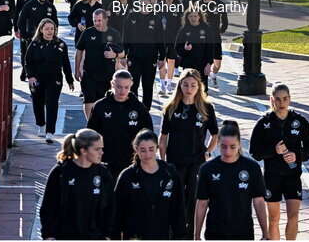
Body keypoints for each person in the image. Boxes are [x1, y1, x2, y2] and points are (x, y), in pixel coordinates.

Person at [249, 84, 309, 241]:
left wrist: (297, 155)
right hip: (272, 177)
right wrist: (274, 150)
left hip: (293, 175)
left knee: (293, 216)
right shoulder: (264, 123)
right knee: (273, 218)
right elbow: (255, 152)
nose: (281, 103)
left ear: (290, 99)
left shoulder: (299, 121)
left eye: (285, 99)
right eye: (278, 99)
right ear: (272, 100)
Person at [160, 68, 219, 238]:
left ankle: (192, 235)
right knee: (175, 198)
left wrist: (208, 153)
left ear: (198, 86)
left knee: (194, 199)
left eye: (193, 85)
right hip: (175, 160)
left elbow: (215, 134)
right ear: (180, 85)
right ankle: (172, 234)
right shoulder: (171, 107)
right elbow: (163, 137)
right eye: (185, 85)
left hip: (196, 161)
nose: (189, 88)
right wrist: (162, 161)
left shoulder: (206, 108)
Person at [194, 120, 268, 241]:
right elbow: (202, 203)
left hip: (244, 232)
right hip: (215, 232)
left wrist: (266, 233)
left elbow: (259, 201)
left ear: (239, 144)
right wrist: (196, 235)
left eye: (232, 147)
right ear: (218, 143)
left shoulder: (252, 168)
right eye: (224, 147)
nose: (228, 151)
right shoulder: (207, 169)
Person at [39, 129, 115, 240]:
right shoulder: (61, 172)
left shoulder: (103, 173)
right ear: (83, 151)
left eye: (101, 148)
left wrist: (108, 235)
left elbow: (111, 208)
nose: (101, 152)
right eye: (97, 149)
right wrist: (48, 235)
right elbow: (47, 207)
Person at [114, 130, 186, 240]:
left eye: (151, 149)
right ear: (136, 149)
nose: (147, 154)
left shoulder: (170, 174)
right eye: (142, 150)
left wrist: (179, 237)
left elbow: (178, 211)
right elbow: (116, 214)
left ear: (157, 148)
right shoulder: (127, 176)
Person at [86, 70, 153, 180]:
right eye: (119, 87)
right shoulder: (100, 106)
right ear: (112, 84)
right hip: (105, 160)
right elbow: (91, 134)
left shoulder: (139, 108)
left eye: (126, 87)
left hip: (131, 163)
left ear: (131, 85)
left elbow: (148, 135)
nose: (122, 91)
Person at [25, 18, 75, 143]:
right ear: (41, 30)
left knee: (52, 102)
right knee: (38, 102)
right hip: (37, 78)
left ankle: (50, 131)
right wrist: (30, 76)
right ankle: (41, 125)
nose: (50, 31)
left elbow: (66, 64)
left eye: (52, 29)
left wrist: (70, 80)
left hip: (54, 78)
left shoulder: (61, 45)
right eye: (47, 29)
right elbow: (28, 62)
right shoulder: (34, 44)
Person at [75, 9, 125, 117]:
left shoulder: (114, 33)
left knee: (105, 103)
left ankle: (103, 125)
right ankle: (90, 125)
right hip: (89, 74)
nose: (97, 23)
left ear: (106, 20)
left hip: (107, 75)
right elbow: (79, 51)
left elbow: (123, 53)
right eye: (95, 20)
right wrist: (76, 70)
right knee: (88, 100)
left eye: (99, 20)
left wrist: (114, 55)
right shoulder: (87, 33)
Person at [121, 0, 166, 110]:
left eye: (148, 5)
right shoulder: (131, 17)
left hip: (150, 57)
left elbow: (160, 39)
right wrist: (123, 55)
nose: (145, 7)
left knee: (148, 84)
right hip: (134, 56)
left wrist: (162, 57)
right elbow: (125, 38)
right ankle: (133, 107)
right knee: (133, 84)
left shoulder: (156, 19)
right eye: (143, 4)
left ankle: (146, 109)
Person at [174, 10, 221, 87]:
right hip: (188, 64)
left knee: (202, 90)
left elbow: (211, 48)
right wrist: (185, 49)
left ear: (199, 16)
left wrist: (209, 64)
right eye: (191, 16)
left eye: (195, 16)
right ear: (187, 18)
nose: (193, 18)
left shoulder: (206, 29)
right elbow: (177, 48)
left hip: (202, 65)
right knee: (189, 89)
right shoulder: (183, 30)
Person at [17, 0, 57, 71]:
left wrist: (54, 36)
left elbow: (55, 23)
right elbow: (20, 22)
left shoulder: (50, 7)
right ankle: (26, 72)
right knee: (30, 59)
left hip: (47, 38)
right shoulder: (29, 5)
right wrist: (25, 36)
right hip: (32, 37)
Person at [157, 0, 184, 96]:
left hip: (174, 38)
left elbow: (182, 23)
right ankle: (162, 85)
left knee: (171, 61)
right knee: (161, 60)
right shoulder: (159, 6)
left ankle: (169, 85)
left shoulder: (178, 6)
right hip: (161, 38)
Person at [201, 0, 228, 89]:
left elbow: (225, 21)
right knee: (204, 60)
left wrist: (221, 30)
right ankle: (204, 83)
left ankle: (213, 74)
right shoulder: (198, 4)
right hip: (202, 37)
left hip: (215, 36)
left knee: (217, 63)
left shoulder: (220, 4)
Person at [14, 0, 38, 81]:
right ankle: (24, 70)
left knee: (35, 53)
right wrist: (16, 29)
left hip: (36, 30)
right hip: (23, 29)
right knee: (24, 52)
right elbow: (16, 15)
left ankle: (33, 72)